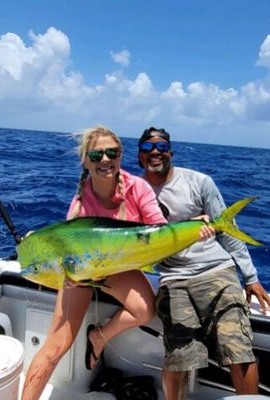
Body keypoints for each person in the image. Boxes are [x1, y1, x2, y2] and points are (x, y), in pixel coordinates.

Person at [21, 126, 169, 400]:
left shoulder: (138, 188)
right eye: (97, 155)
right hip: (82, 273)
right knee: (56, 346)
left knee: (145, 310)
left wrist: (196, 229)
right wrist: (65, 276)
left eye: (112, 152)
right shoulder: (79, 204)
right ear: (86, 161)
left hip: (119, 268)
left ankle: (99, 337)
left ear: (120, 155)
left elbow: (160, 228)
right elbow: (61, 249)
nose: (105, 160)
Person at [137, 127, 270, 400]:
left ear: (170, 152)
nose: (155, 152)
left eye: (161, 147)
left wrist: (251, 277)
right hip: (173, 279)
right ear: (140, 157)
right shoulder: (135, 192)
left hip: (217, 272)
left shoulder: (200, 182)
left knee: (238, 348)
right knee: (178, 355)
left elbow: (228, 231)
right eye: (148, 148)